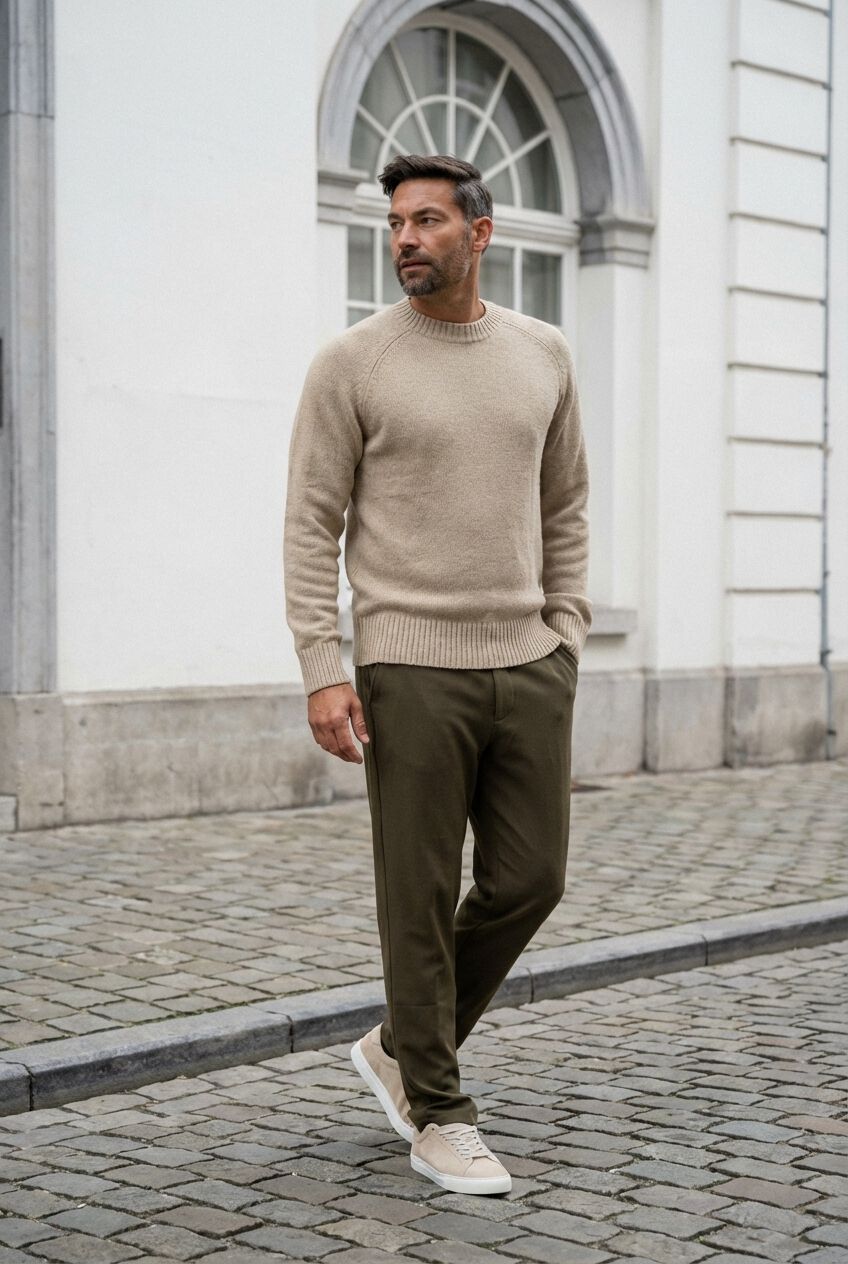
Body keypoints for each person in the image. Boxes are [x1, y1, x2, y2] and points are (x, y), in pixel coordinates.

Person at [283, 153, 591, 1196]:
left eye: (426, 221)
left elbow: (565, 504)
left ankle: (397, 1045)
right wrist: (323, 665)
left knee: (530, 879)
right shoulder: (353, 363)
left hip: (529, 660)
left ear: (480, 232)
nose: (405, 239)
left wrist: (566, 631)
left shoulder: (543, 353)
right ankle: (439, 1111)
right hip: (407, 664)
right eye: (396, 223)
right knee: (416, 898)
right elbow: (310, 521)